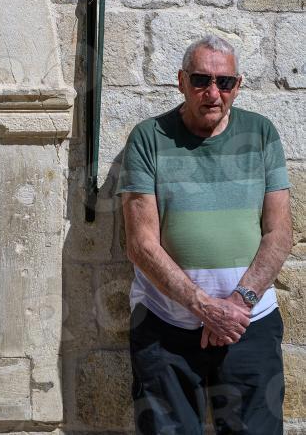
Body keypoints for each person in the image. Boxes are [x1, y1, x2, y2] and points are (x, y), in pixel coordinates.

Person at [117, 35, 293, 434]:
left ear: (238, 85)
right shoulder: (148, 138)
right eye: (201, 80)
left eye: (224, 82)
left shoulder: (261, 134)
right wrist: (205, 307)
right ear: (181, 81)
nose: (213, 93)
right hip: (165, 324)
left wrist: (237, 304)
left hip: (249, 323)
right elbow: (141, 244)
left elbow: (280, 232)